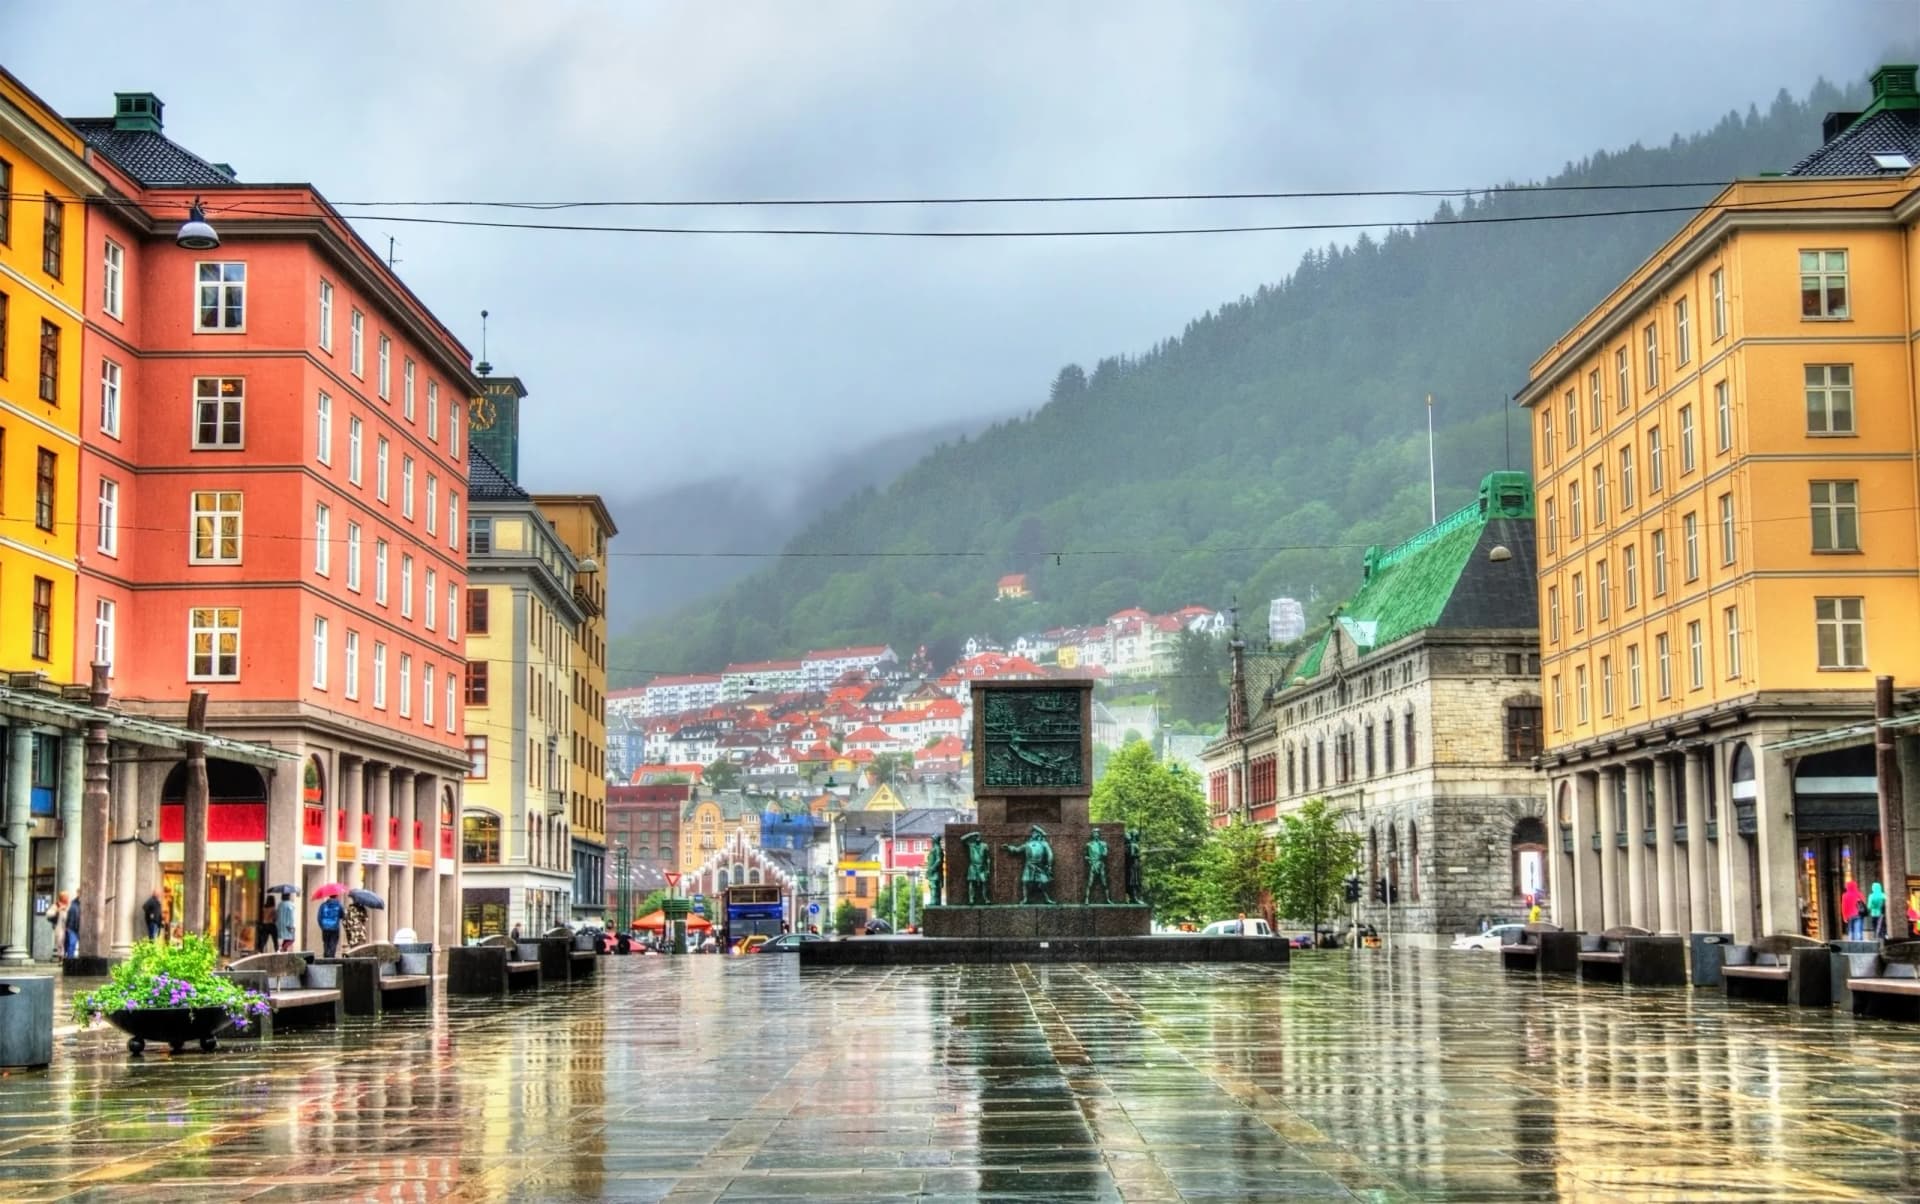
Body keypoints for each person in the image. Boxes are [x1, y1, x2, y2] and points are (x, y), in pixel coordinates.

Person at [49, 892, 67, 962]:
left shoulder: (69, 905)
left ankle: (65, 957)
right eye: (64, 897)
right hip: (59, 926)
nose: (66, 899)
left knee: (66, 942)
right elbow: (49, 914)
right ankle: (61, 958)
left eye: (66, 897)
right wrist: (57, 910)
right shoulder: (56, 905)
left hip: (67, 927)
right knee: (60, 942)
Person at [64, 892, 81, 960]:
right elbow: (67, 916)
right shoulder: (72, 904)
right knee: (72, 944)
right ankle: (69, 961)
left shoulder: (85, 904)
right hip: (72, 928)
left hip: (81, 928)